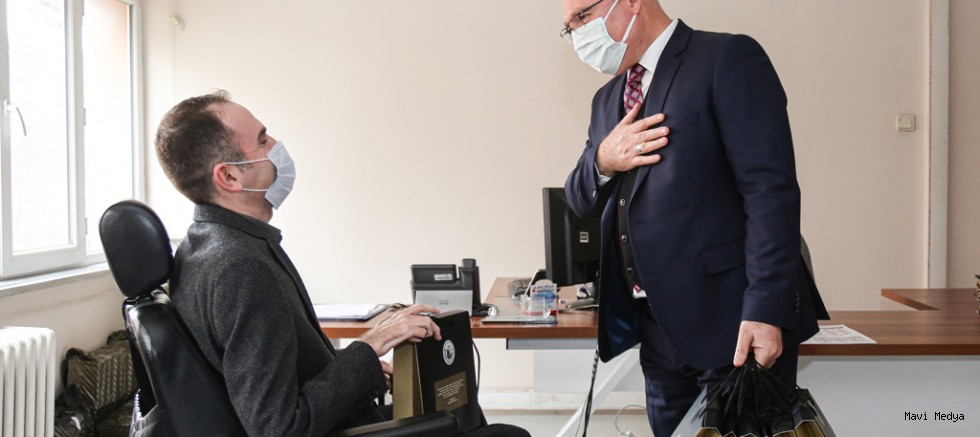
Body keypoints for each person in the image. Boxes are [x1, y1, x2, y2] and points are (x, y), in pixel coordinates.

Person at [155, 91, 529, 437]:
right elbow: (277, 428)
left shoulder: (209, 245)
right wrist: (370, 345)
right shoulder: (240, 267)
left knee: (459, 406)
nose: (276, 145)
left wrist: (357, 368)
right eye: (263, 140)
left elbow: (270, 372)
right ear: (229, 176)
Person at [560, 1, 829, 435]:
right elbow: (579, 199)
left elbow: (769, 194)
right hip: (658, 334)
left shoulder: (726, 59)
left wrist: (766, 311)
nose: (576, 34)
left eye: (581, 17)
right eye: (568, 27)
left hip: (734, 325)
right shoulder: (607, 100)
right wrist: (603, 160)